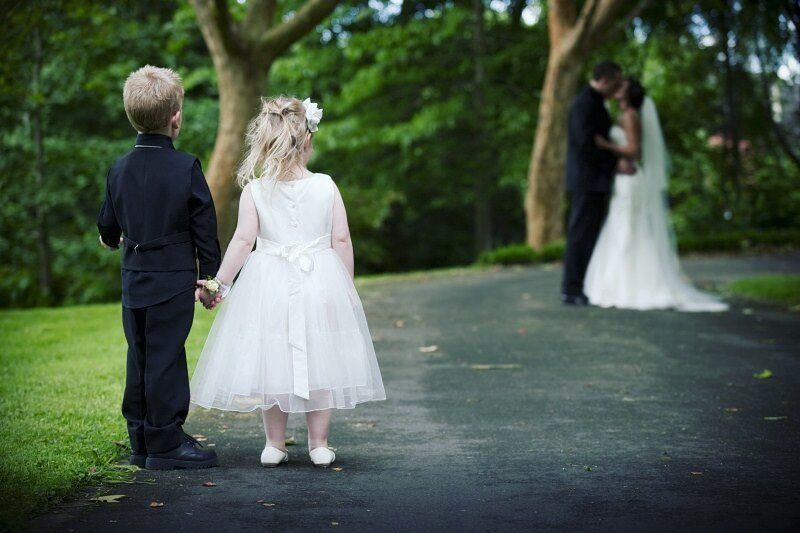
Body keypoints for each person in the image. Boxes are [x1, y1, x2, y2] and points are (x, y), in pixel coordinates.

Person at [190, 96, 386, 468]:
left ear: (264, 145)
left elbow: (243, 242)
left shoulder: (256, 191)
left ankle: (274, 444)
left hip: (270, 286)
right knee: (323, 360)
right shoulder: (327, 186)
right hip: (319, 281)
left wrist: (220, 283)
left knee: (272, 360)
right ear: (308, 141)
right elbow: (341, 240)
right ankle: (318, 443)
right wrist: (346, 288)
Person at [97, 65, 221, 470]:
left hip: (133, 280)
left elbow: (107, 228)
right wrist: (210, 280)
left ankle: (141, 440)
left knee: (141, 355)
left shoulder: (118, 168)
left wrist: (113, 237)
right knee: (167, 356)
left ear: (131, 116)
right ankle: (166, 442)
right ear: (176, 118)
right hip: (173, 281)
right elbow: (205, 230)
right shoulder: (185, 167)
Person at [584, 78, 728, 312]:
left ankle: (631, 287)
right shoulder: (625, 114)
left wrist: (606, 146)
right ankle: (622, 284)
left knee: (629, 228)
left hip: (630, 179)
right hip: (624, 179)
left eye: (621, 87)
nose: (616, 89)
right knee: (624, 227)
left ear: (628, 94)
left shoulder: (630, 115)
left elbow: (635, 150)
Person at [561, 60, 633, 306]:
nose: (616, 88)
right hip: (586, 179)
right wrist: (614, 161)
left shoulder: (596, 102)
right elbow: (585, 145)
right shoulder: (584, 104)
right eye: (615, 82)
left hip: (595, 180)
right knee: (580, 233)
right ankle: (571, 288)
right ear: (604, 79)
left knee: (590, 233)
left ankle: (582, 285)